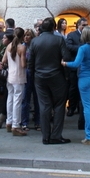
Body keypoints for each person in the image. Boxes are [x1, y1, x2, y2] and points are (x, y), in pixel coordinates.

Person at [28, 17, 71, 145]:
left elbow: (31, 62)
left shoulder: (35, 41)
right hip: (56, 75)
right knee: (59, 106)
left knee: (44, 106)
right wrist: (66, 75)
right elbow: (66, 58)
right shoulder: (59, 40)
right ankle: (56, 135)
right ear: (53, 28)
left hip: (40, 77)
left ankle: (45, 136)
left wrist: (33, 76)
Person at [63, 26, 90, 145]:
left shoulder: (83, 49)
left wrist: (65, 63)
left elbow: (76, 64)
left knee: (87, 107)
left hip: (84, 79)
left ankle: (89, 136)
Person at [3, 27, 27, 136]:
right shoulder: (22, 48)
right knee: (18, 100)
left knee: (10, 98)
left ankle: (9, 121)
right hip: (19, 76)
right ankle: (16, 125)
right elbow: (23, 65)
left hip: (10, 76)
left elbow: (3, 61)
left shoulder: (9, 46)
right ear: (22, 36)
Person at [66, 18, 87, 119]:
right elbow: (69, 46)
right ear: (78, 25)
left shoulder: (88, 36)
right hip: (74, 66)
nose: (84, 27)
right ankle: (71, 107)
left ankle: (80, 108)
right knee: (73, 88)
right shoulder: (72, 35)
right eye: (83, 25)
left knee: (83, 88)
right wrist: (81, 48)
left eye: (86, 25)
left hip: (85, 67)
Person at [21, 29, 40, 131]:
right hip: (26, 74)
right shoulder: (22, 46)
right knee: (25, 99)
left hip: (35, 73)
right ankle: (24, 122)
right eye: (24, 35)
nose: (26, 37)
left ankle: (38, 122)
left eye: (28, 35)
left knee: (37, 99)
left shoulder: (35, 47)